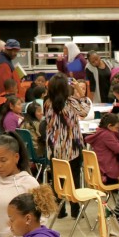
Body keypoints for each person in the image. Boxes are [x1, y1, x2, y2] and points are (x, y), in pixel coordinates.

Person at [44, 74, 93, 218]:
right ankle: (75, 210)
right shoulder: (71, 102)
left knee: (58, 178)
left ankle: (59, 210)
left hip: (54, 146)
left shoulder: (47, 103)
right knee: (75, 178)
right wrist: (80, 91)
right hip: (72, 146)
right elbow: (85, 110)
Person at [86, 112, 119, 184]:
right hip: (109, 172)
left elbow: (112, 144)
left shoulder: (100, 132)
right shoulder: (107, 135)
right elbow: (118, 148)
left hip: (101, 169)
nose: (117, 130)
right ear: (109, 126)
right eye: (116, 128)